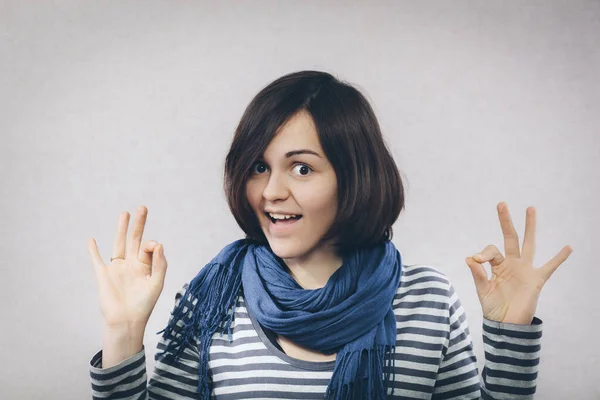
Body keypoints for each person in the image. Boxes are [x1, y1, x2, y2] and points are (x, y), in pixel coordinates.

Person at [87, 70, 573, 399]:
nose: (271, 191)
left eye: (301, 168)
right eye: (259, 167)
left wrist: (510, 334)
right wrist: (124, 333)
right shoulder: (211, 300)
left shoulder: (427, 300)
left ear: (354, 175)